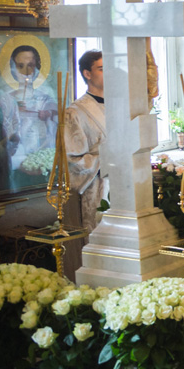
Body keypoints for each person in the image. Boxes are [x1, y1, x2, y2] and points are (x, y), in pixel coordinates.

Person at [0, 44, 58, 187]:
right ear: (13, 69)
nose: (26, 72)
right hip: (16, 154)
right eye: (20, 66)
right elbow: (0, 127)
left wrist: (49, 114)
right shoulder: (5, 96)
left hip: (42, 152)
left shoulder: (46, 94)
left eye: (31, 65)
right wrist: (13, 109)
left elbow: (57, 119)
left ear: (37, 67)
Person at [64, 50, 107, 236]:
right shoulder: (75, 112)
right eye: (102, 69)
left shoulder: (120, 106)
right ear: (87, 74)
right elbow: (72, 159)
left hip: (124, 186)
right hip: (96, 187)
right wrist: (106, 160)